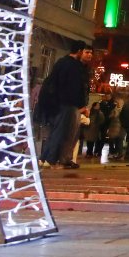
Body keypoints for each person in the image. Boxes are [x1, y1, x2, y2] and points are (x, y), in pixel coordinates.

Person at [39, 40, 92, 169]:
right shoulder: (74, 66)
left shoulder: (61, 62)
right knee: (62, 132)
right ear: (79, 51)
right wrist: (81, 105)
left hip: (57, 103)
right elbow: (73, 88)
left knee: (56, 131)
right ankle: (51, 159)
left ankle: (44, 157)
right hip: (67, 104)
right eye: (85, 52)